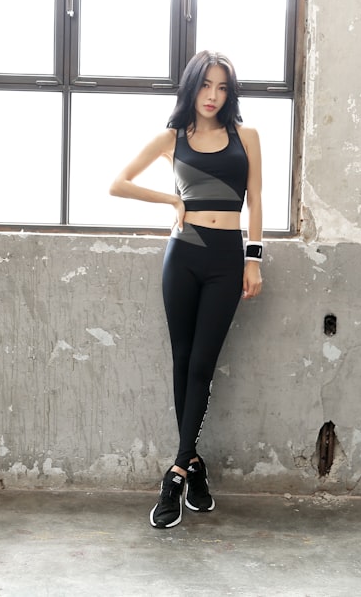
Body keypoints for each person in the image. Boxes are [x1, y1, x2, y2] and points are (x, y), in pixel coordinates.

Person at [109, 50, 264, 529]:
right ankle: (191, 467)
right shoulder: (172, 138)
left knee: (202, 364)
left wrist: (254, 259)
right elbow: (118, 184)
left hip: (225, 258)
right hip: (183, 254)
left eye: (221, 87)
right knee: (182, 361)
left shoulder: (246, 136)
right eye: (205, 86)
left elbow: (256, 201)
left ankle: (175, 472)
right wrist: (171, 198)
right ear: (191, 87)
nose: (213, 96)